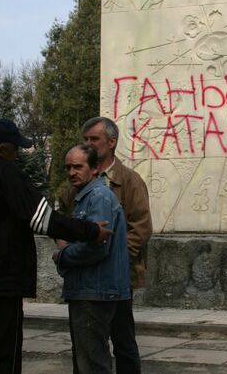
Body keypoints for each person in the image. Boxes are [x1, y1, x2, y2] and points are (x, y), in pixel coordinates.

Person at [0, 119, 112, 374]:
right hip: (0, 286)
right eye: (15, 149)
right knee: (1, 359)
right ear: (3, 149)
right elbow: (43, 219)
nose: (17, 155)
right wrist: (91, 231)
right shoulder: (5, 173)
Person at [60, 116, 152, 374]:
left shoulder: (130, 181)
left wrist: (117, 259)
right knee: (87, 346)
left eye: (94, 139)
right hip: (86, 276)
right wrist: (66, 247)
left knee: (122, 341)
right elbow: (64, 221)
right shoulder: (77, 181)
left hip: (119, 277)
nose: (89, 143)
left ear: (111, 142)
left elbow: (141, 227)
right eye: (85, 139)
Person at [53, 145, 131, 374]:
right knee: (88, 361)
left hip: (94, 291)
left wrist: (63, 255)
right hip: (91, 289)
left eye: (78, 166)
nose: (71, 172)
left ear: (95, 168)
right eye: (68, 167)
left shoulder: (97, 197)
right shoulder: (87, 197)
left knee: (93, 364)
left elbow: (97, 248)